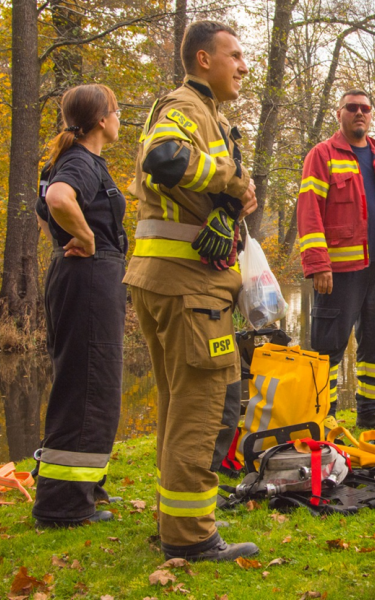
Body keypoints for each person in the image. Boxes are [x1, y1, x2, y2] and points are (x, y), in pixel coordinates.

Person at [123, 21, 258, 562]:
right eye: (236, 55)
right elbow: (164, 160)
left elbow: (180, 186)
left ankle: (173, 519)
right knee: (202, 407)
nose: (244, 66)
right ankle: (191, 536)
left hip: (168, 282)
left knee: (179, 405)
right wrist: (230, 178)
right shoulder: (185, 108)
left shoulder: (207, 115)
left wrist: (232, 204)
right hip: (189, 289)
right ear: (204, 59)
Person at [33, 84, 128, 527]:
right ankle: (64, 505)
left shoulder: (69, 160)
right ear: (101, 120)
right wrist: (86, 236)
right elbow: (55, 201)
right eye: (116, 110)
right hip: (88, 277)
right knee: (90, 383)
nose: (119, 116)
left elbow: (43, 204)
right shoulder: (81, 161)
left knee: (81, 380)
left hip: (77, 277)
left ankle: (79, 491)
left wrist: (67, 237)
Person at [297, 89, 375, 429]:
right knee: (327, 349)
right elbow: (309, 213)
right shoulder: (322, 155)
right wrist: (319, 263)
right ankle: (323, 419)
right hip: (338, 272)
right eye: (352, 107)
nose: (359, 113)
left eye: (365, 108)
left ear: (371, 114)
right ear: (340, 113)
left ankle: (369, 416)